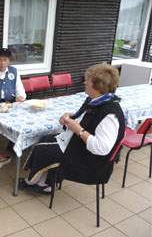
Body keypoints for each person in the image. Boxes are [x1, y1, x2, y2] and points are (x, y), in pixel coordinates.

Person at [22, 63, 125, 194]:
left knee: (42, 149)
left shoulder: (110, 115)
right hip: (78, 144)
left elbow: (101, 148)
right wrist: (70, 117)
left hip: (89, 160)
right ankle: (44, 182)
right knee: (44, 139)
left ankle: (42, 183)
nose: (84, 82)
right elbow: (86, 118)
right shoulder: (95, 100)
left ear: (97, 86)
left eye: (87, 80)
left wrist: (79, 130)